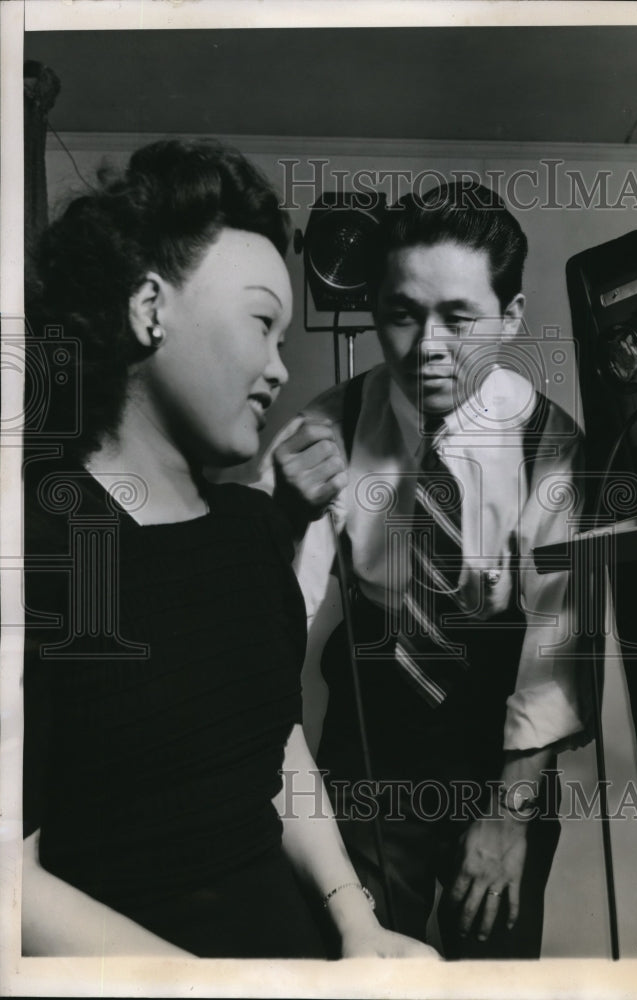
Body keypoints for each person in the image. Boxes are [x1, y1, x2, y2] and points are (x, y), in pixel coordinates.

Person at [21, 138, 438, 960]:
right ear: (150, 307)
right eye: (260, 323)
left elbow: (273, 745)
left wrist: (359, 925)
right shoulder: (43, 545)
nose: (279, 369)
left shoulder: (251, 530)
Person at [261, 182, 591, 958]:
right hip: (370, 749)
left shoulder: (553, 447)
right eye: (404, 313)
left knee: (495, 971)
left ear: (510, 317)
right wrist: (281, 517)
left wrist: (508, 818)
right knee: (356, 964)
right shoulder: (328, 424)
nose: (428, 346)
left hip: (501, 752)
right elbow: (269, 620)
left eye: (459, 317)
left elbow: (558, 652)